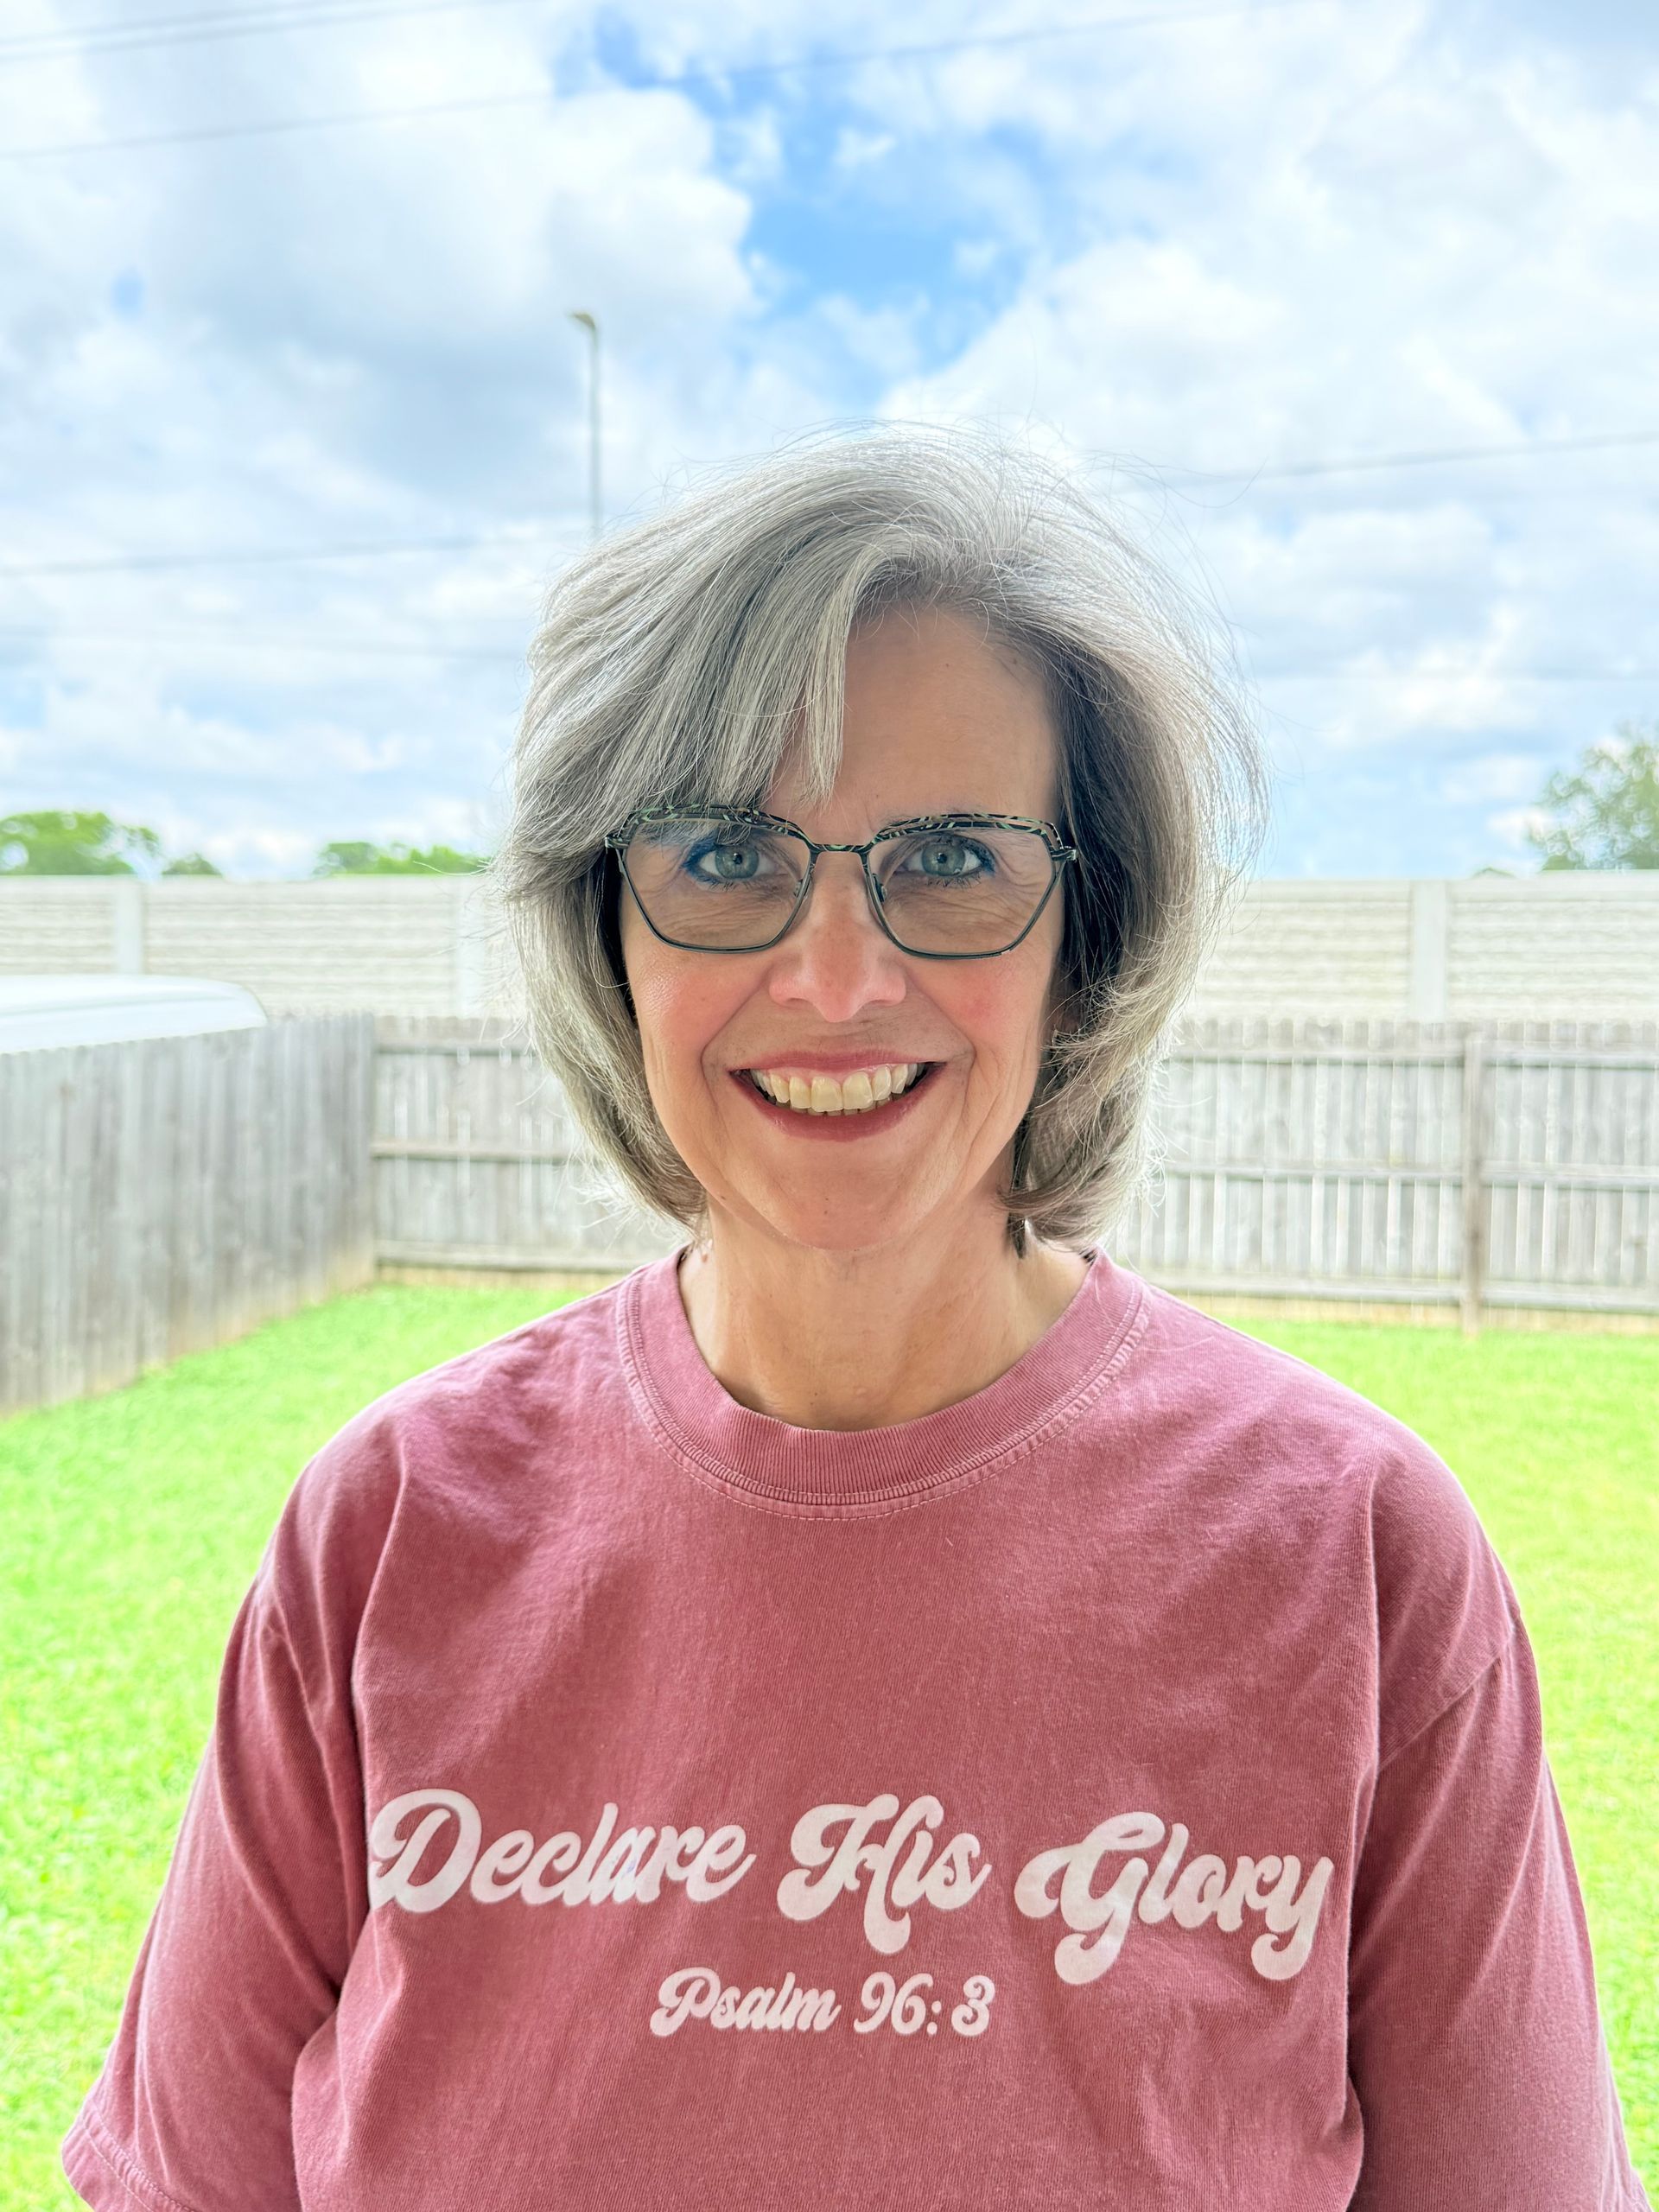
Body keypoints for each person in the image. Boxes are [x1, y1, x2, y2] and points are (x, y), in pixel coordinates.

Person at [63, 423, 1649, 2211]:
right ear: (612, 921)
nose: (834, 975)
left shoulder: (1360, 1560)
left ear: (1085, 929)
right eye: (729, 851)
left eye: (953, 857)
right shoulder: (389, 1532)